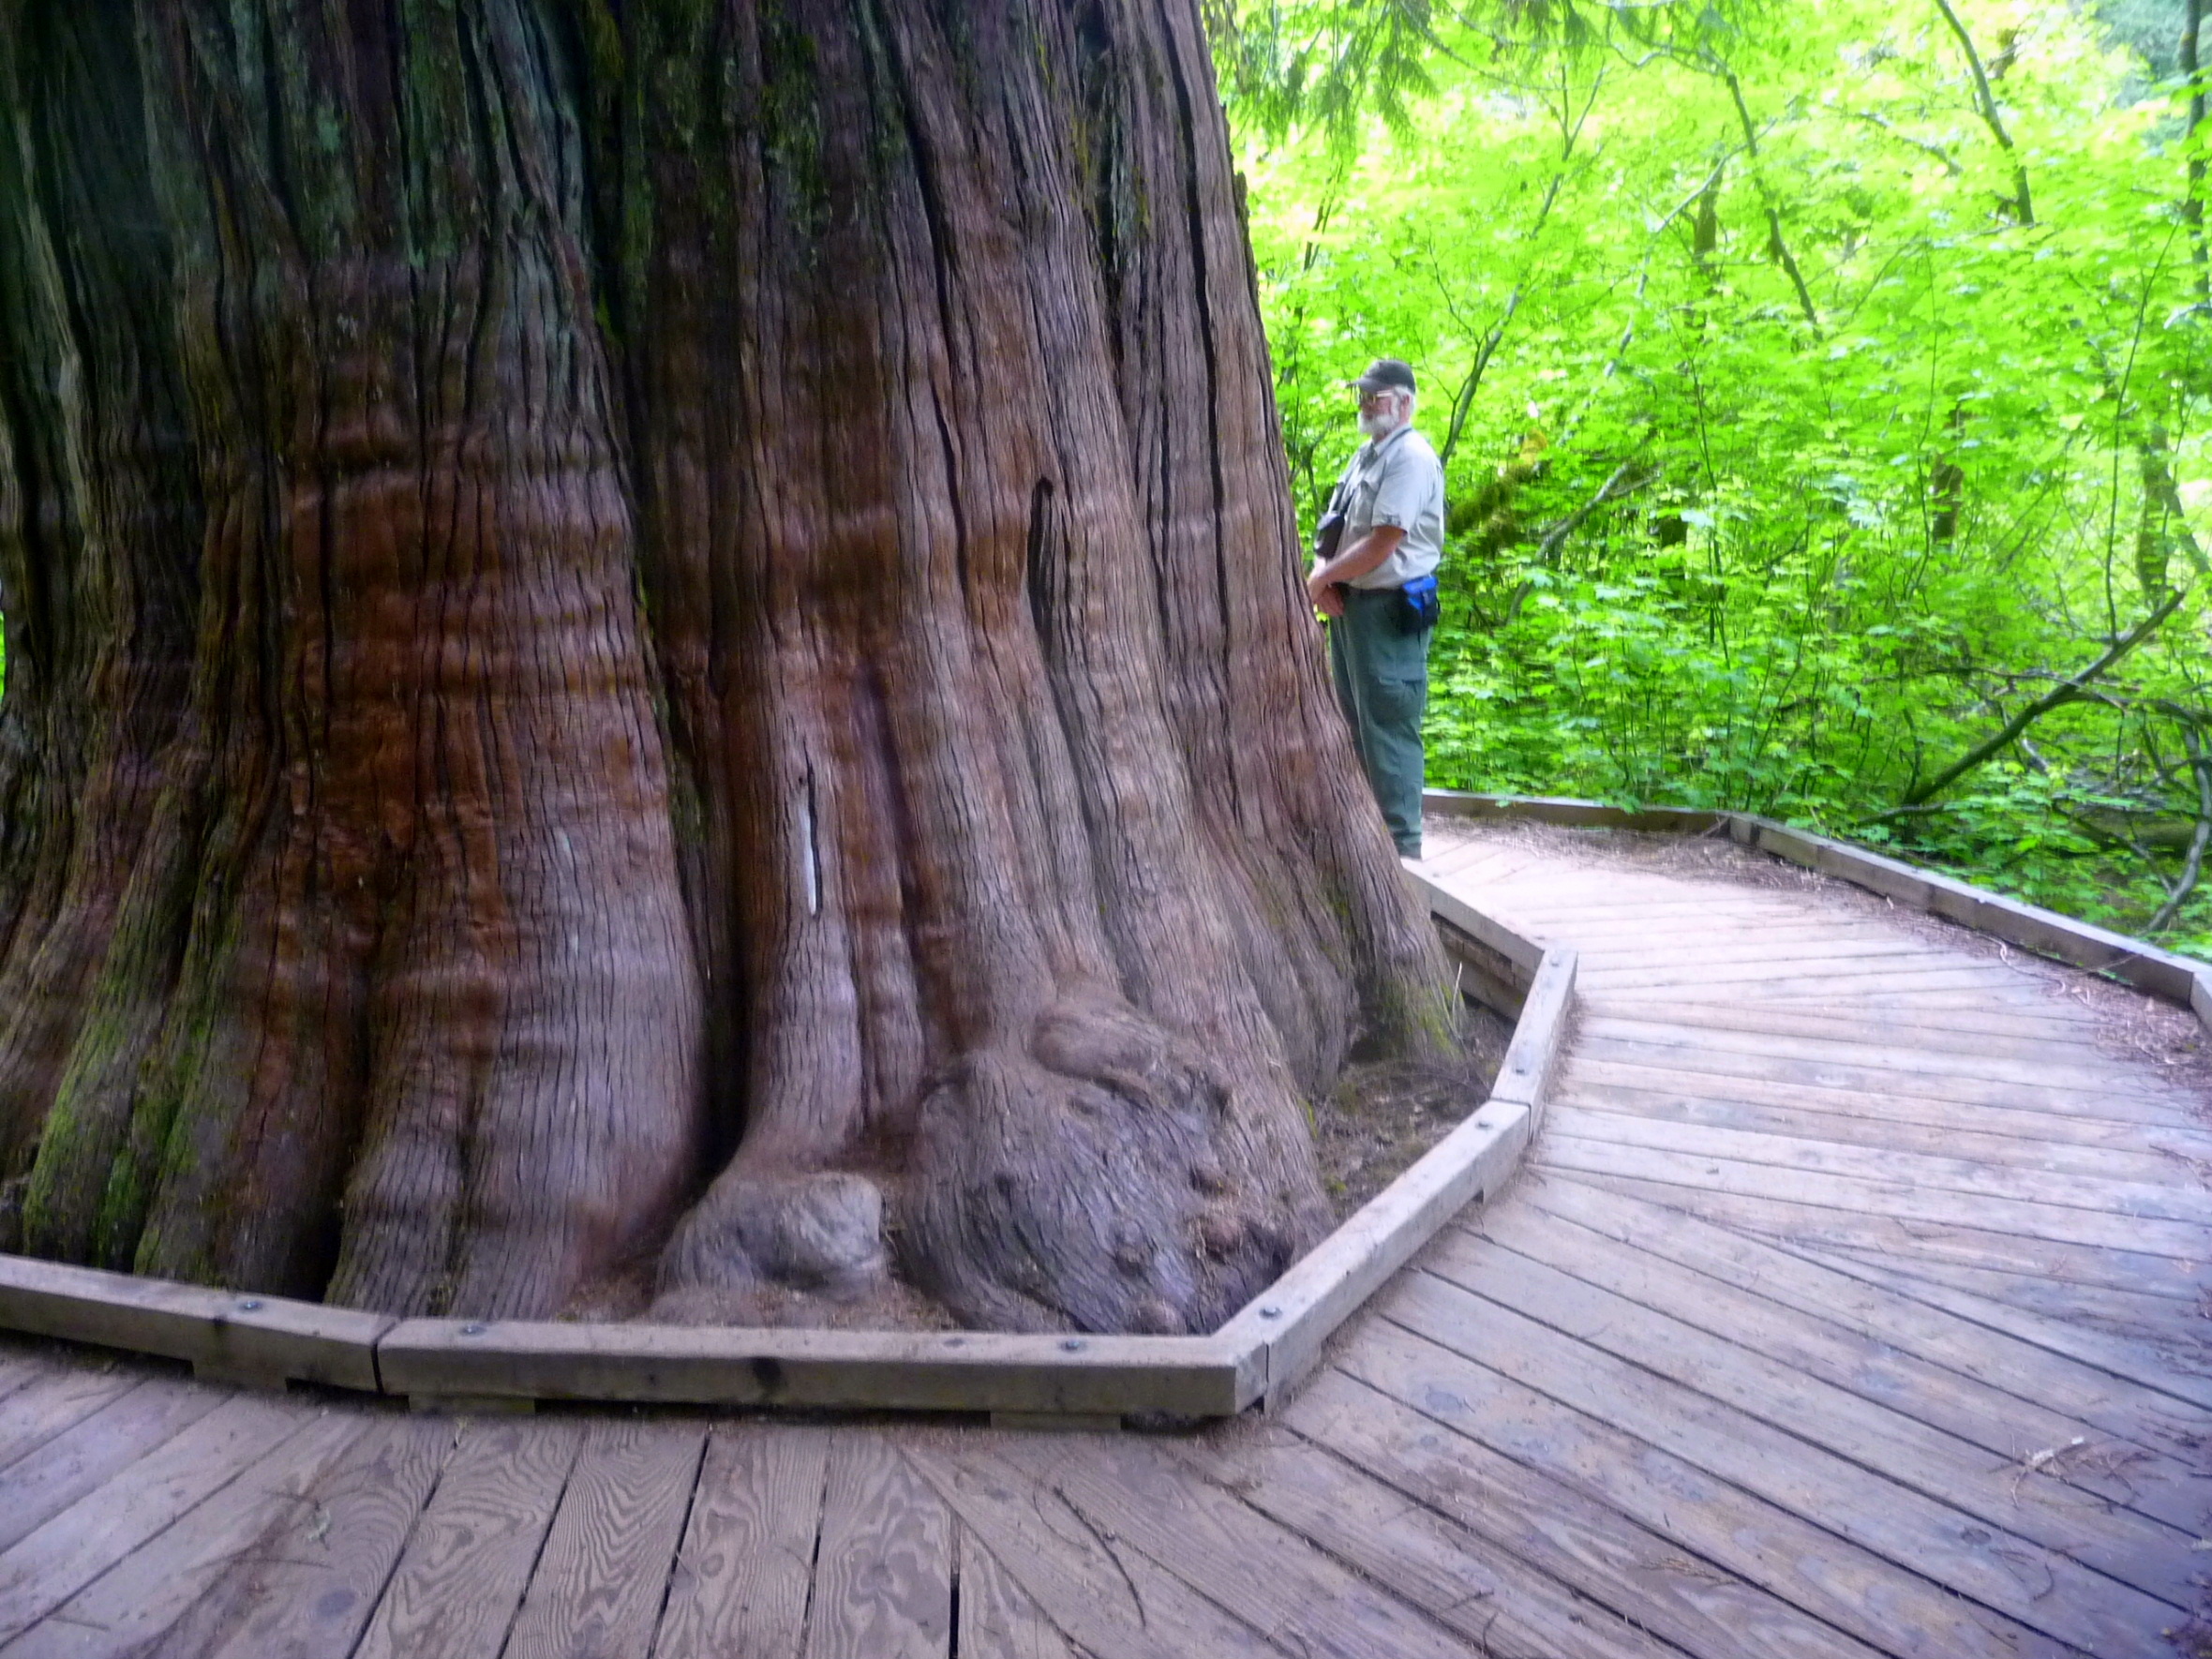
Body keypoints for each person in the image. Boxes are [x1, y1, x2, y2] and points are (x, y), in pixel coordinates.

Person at [1308, 358, 1445, 860]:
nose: (1366, 404)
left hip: (1390, 610)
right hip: (1351, 606)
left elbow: (1385, 540)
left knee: (1389, 724)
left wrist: (1319, 581)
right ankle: (1368, 846)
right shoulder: (1366, 455)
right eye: (1363, 395)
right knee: (1354, 722)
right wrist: (1325, 575)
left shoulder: (1410, 458)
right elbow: (1334, 527)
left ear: (1404, 403)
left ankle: (1402, 852)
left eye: (1377, 396)